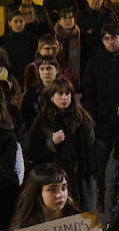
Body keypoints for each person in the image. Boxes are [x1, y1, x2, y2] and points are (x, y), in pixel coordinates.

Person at [24, 79, 99, 210]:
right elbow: (33, 152)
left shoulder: (81, 118)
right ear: (52, 97)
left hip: (81, 176)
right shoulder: (42, 121)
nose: (65, 98)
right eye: (60, 94)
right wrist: (51, 143)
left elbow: (90, 147)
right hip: (55, 178)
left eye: (68, 94)